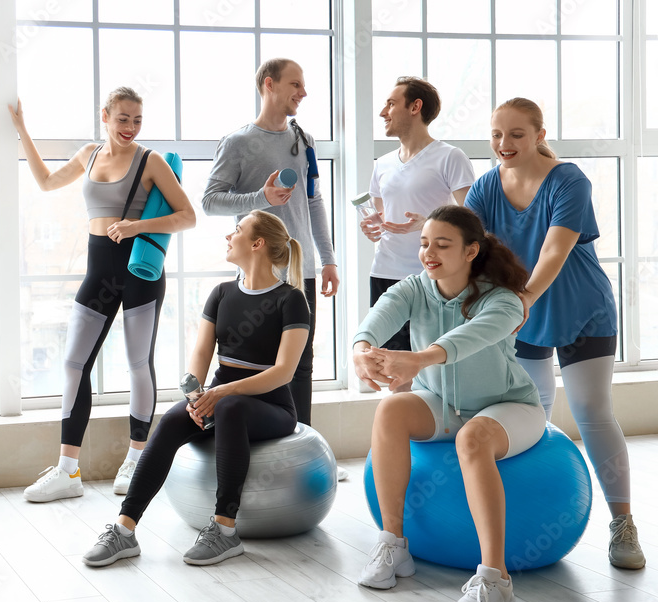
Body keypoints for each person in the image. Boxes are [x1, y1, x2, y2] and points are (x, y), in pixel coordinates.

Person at [465, 97, 646, 569]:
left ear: (540, 135)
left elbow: (553, 251)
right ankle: (519, 520)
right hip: (520, 311)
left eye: (517, 135)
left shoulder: (569, 180)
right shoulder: (486, 187)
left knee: (591, 410)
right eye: (497, 135)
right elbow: (469, 249)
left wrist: (520, 300)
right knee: (532, 413)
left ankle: (622, 524)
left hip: (579, 306)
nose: (504, 144)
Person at [353, 205, 546, 602]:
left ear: (471, 250)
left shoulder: (504, 299)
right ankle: (394, 544)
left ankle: (496, 583)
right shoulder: (416, 288)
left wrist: (417, 361)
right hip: (445, 404)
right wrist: (362, 351)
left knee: (473, 439)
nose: (429, 253)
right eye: (424, 243)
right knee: (390, 410)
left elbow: (468, 339)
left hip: (509, 406)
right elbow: (379, 315)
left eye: (442, 244)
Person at [82, 211, 309, 567]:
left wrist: (221, 394)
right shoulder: (222, 293)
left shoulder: (291, 299)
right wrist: (195, 397)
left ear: (257, 243)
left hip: (272, 407)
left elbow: (283, 372)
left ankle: (225, 530)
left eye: (236, 230)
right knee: (173, 419)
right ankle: (123, 530)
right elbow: (202, 353)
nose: (228, 237)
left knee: (231, 408)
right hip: (221, 399)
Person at [9, 87, 196, 501]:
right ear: (105, 116)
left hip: (139, 272)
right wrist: (22, 128)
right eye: (123, 118)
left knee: (136, 363)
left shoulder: (150, 162)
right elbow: (44, 182)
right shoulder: (89, 155)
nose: (130, 127)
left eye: (137, 120)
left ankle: (135, 459)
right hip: (99, 271)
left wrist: (135, 227)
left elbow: (188, 216)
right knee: (75, 363)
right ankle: (67, 472)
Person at [202, 58, 347, 480]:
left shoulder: (305, 139)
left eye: (303, 85)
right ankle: (250, 450)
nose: (303, 92)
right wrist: (259, 197)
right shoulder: (237, 142)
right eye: (295, 84)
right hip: (258, 280)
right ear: (269, 85)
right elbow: (211, 201)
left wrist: (329, 259)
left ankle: (305, 455)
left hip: (299, 274)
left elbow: (315, 203)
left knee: (301, 366)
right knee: (260, 365)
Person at [363, 76, 475, 385]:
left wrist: (428, 223)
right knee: (391, 370)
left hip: (431, 278)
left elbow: (474, 220)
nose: (383, 112)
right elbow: (383, 216)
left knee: (436, 369)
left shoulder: (450, 157)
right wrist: (373, 226)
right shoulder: (382, 164)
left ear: (415, 107)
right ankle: (403, 431)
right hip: (385, 272)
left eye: (390, 104)